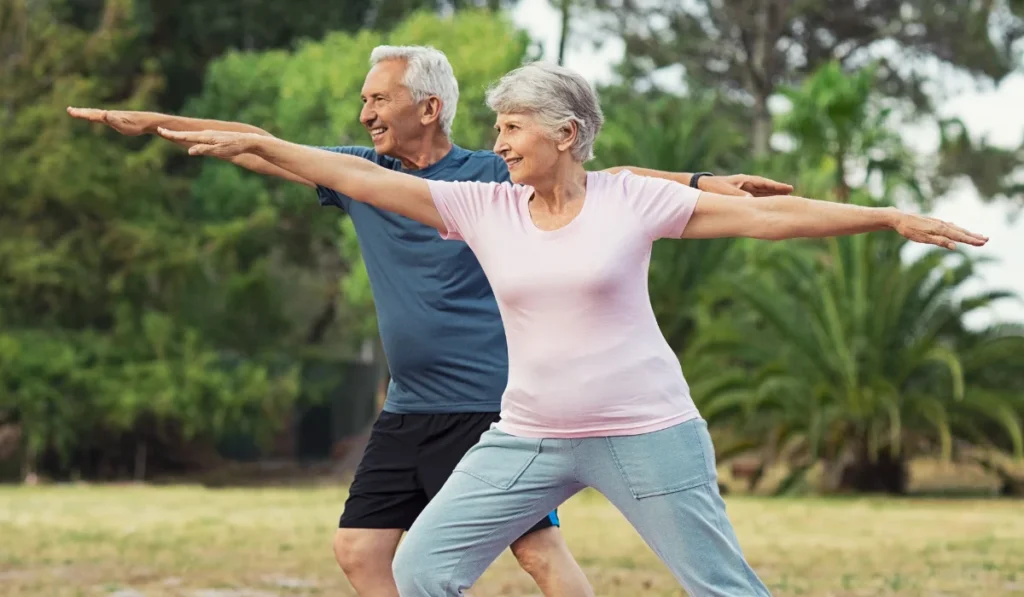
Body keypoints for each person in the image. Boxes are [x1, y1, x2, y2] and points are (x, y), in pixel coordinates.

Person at [154, 60, 987, 596]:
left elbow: (770, 219)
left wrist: (886, 217)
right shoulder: (482, 207)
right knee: (421, 567)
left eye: (512, 127)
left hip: (647, 430)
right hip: (529, 435)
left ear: (567, 134)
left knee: (722, 587)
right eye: (496, 127)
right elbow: (352, 175)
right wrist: (259, 143)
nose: (498, 142)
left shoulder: (631, 196)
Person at [69, 46, 794, 597]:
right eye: (363, 101)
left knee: (536, 551)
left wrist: (700, 184)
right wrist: (158, 124)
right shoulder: (363, 178)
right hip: (410, 403)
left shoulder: (492, 178)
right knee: (360, 550)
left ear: (429, 107)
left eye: (379, 98)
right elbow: (260, 141)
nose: (365, 114)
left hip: (487, 403)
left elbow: (603, 182)